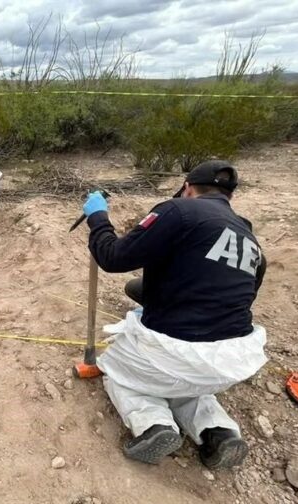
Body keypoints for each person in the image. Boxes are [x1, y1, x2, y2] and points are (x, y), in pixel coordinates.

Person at [82, 160, 267, 468]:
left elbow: (113, 257)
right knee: (189, 384)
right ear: (229, 198)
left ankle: (154, 425)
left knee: (119, 372)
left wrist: (98, 218)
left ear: (187, 188)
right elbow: (241, 292)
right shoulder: (247, 234)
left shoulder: (178, 210)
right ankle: (218, 432)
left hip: (175, 351)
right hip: (233, 358)